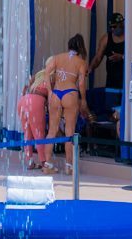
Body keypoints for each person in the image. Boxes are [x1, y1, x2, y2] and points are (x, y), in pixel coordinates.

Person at [41, 34, 100, 172]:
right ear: (81, 47)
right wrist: (83, 100)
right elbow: (81, 84)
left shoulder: (57, 57)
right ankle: (69, 166)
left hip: (56, 94)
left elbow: (46, 73)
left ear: (69, 46)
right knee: (69, 131)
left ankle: (47, 164)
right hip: (70, 93)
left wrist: (49, 91)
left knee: (52, 131)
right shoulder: (81, 62)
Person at [18, 66, 52, 170]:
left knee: (27, 134)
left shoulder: (38, 75)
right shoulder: (51, 77)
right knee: (39, 134)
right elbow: (51, 96)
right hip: (37, 101)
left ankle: (30, 162)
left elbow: (26, 87)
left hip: (24, 100)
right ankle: (44, 163)